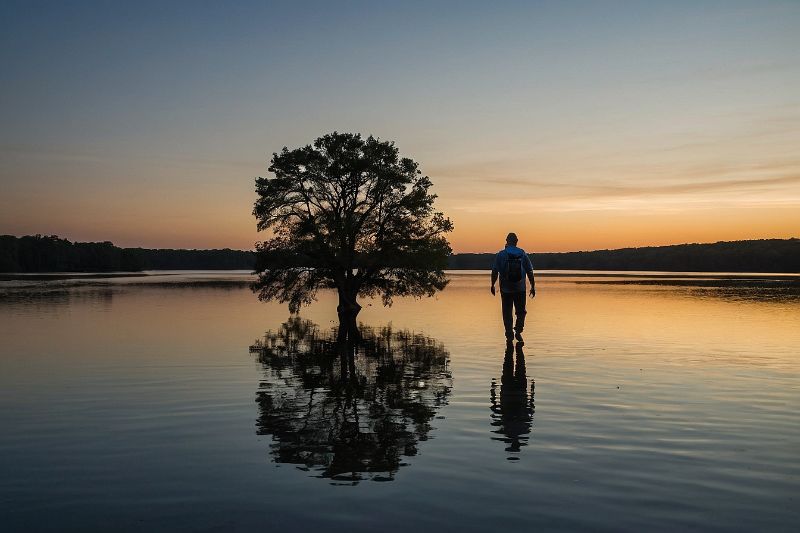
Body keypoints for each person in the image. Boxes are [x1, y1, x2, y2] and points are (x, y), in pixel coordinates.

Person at [490, 232, 535, 342]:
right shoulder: (522, 253)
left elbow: (495, 271)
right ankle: (518, 331)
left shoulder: (501, 254)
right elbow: (529, 271)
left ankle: (509, 335)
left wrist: (492, 284)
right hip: (520, 288)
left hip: (505, 289)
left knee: (507, 312)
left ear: (507, 241)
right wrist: (533, 286)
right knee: (521, 311)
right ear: (516, 241)